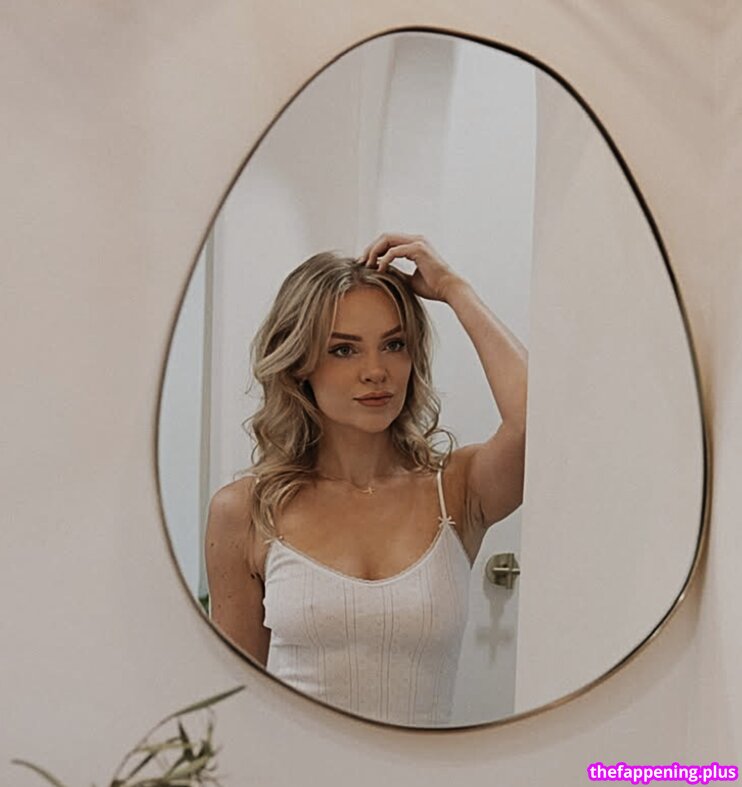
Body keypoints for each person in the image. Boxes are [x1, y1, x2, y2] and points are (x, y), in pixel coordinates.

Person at [205, 232, 528, 726]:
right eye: (344, 350)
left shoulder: (457, 490)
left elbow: (537, 425)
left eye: (394, 345)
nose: (376, 371)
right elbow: (234, 706)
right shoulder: (245, 511)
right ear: (300, 364)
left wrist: (453, 288)